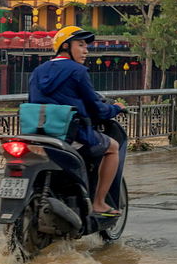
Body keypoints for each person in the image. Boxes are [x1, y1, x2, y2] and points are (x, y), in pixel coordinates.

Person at [28, 26, 126, 216]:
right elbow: (95, 108)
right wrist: (115, 109)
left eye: (86, 46)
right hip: (70, 135)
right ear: (66, 46)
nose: (86, 50)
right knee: (112, 147)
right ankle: (98, 203)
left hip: (37, 134)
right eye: (80, 45)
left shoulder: (38, 71)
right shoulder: (77, 71)